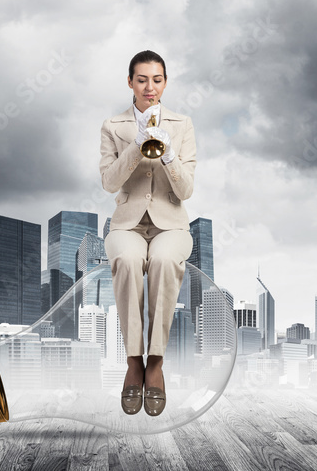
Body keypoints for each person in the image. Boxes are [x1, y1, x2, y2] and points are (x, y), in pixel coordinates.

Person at [99, 50, 196, 416]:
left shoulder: (182, 124)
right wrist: (136, 146)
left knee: (164, 260)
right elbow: (109, 183)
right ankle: (133, 361)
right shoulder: (113, 126)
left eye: (157, 80)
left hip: (171, 223)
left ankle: (155, 361)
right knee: (125, 259)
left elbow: (186, 191)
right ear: (130, 82)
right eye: (142, 80)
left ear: (165, 82)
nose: (149, 87)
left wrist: (168, 153)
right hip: (127, 223)